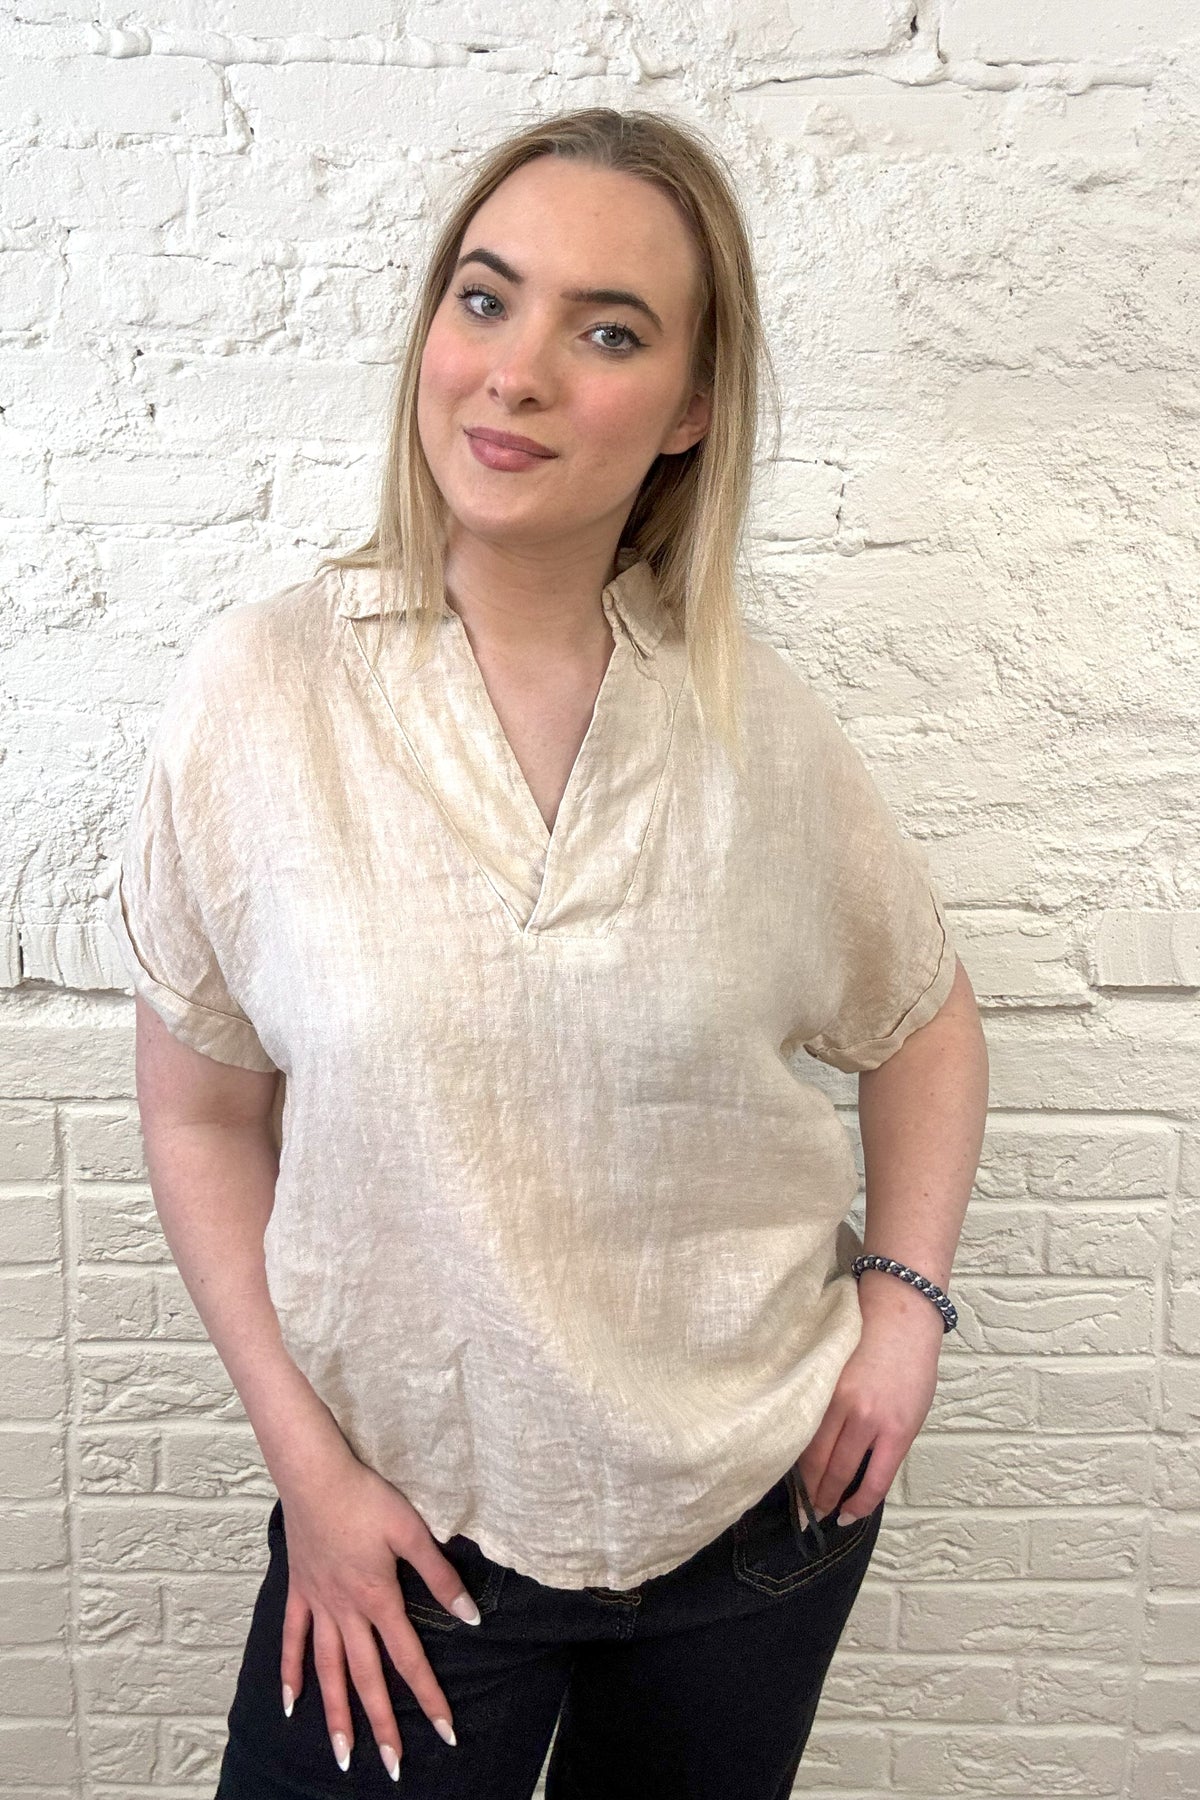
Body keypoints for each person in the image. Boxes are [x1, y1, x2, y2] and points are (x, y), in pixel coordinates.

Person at [104, 106, 989, 1799]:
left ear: (693, 408)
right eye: (487, 298)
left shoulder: (752, 723)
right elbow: (203, 1114)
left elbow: (922, 1018)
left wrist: (906, 1308)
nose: (514, 372)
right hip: (405, 1535)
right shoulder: (260, 698)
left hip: (755, 1520)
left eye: (610, 332)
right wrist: (310, 1479)